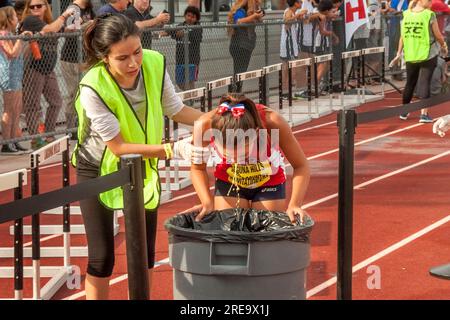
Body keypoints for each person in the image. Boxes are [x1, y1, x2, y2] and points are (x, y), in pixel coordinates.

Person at [73, 13, 208, 300]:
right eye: (122, 58)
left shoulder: (154, 63)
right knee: (102, 257)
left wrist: (215, 120)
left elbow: (175, 109)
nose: (134, 63)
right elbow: (119, 147)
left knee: (144, 251)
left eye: (137, 52)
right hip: (97, 168)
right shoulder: (92, 87)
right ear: (104, 58)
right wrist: (173, 149)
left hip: (141, 165)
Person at [190, 94, 310, 223]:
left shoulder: (273, 122)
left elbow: (301, 166)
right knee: (231, 230)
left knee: (264, 231)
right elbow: (197, 168)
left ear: (256, 132)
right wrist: (207, 202)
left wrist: (295, 204)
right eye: (228, 156)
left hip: (268, 180)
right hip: (229, 179)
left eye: (244, 155)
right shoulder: (203, 126)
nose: (237, 162)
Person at [21, 0, 75, 149]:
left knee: (56, 101)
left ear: (46, 7)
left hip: (48, 68)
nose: (36, 9)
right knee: (33, 105)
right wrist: (64, 16)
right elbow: (51, 29)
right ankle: (35, 139)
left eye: (39, 5)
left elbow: (61, 30)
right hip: (33, 67)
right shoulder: (30, 20)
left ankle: (49, 134)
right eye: (32, 7)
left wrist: (75, 25)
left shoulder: (49, 21)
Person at [391, 0, 448, 122]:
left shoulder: (406, 13)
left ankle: (404, 112)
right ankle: (424, 114)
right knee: (425, 82)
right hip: (427, 53)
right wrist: (444, 45)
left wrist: (399, 52)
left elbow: (403, 35)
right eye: (429, 0)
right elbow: (437, 34)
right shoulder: (429, 14)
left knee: (410, 83)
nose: (431, 3)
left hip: (411, 53)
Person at [60, 0, 95, 139]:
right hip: (70, 58)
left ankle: (83, 124)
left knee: (85, 92)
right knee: (73, 93)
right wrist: (83, 24)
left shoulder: (89, 8)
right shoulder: (73, 8)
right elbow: (68, 30)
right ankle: (71, 128)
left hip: (84, 58)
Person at [0, 6, 29, 153]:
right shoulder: (3, 34)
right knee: (9, 109)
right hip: (8, 75)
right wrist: (20, 37)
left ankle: (14, 140)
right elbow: (11, 53)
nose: (17, 19)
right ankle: (6, 143)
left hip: (16, 74)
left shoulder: (11, 33)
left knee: (17, 109)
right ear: (9, 19)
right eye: (15, 17)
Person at [228, 0, 265, 92]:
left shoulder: (250, 12)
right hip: (239, 45)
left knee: (241, 71)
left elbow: (259, 22)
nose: (257, 4)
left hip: (247, 46)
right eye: (256, 2)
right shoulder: (241, 11)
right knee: (239, 71)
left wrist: (258, 16)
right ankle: (234, 92)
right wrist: (254, 16)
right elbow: (238, 21)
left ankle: (236, 91)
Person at [169, 5, 202, 91]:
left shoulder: (198, 27)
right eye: (188, 15)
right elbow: (172, 33)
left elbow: (197, 37)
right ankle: (189, 95)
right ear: (185, 15)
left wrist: (185, 32)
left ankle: (190, 100)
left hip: (192, 61)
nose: (190, 18)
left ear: (196, 19)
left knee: (190, 82)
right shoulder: (180, 25)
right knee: (179, 82)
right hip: (180, 60)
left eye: (193, 17)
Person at [280, 0, 307, 100]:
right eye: (300, 1)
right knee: (290, 70)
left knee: (289, 70)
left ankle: (286, 92)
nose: (301, 3)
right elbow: (287, 22)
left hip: (292, 45)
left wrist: (299, 16)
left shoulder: (293, 12)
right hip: (288, 45)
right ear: (295, 3)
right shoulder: (288, 11)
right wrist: (297, 15)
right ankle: (286, 93)